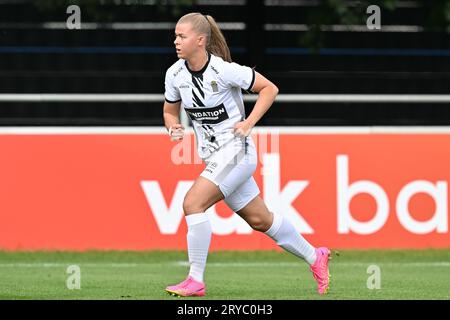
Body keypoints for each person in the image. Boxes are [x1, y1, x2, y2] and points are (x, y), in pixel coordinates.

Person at [163, 12, 331, 297]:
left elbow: (269, 88)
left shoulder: (225, 71)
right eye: (176, 36)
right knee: (260, 220)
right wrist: (173, 126)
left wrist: (249, 122)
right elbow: (169, 110)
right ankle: (316, 257)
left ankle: (195, 280)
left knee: (192, 203)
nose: (176, 41)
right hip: (213, 157)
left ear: (200, 41)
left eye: (182, 36)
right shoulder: (174, 74)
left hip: (236, 152)